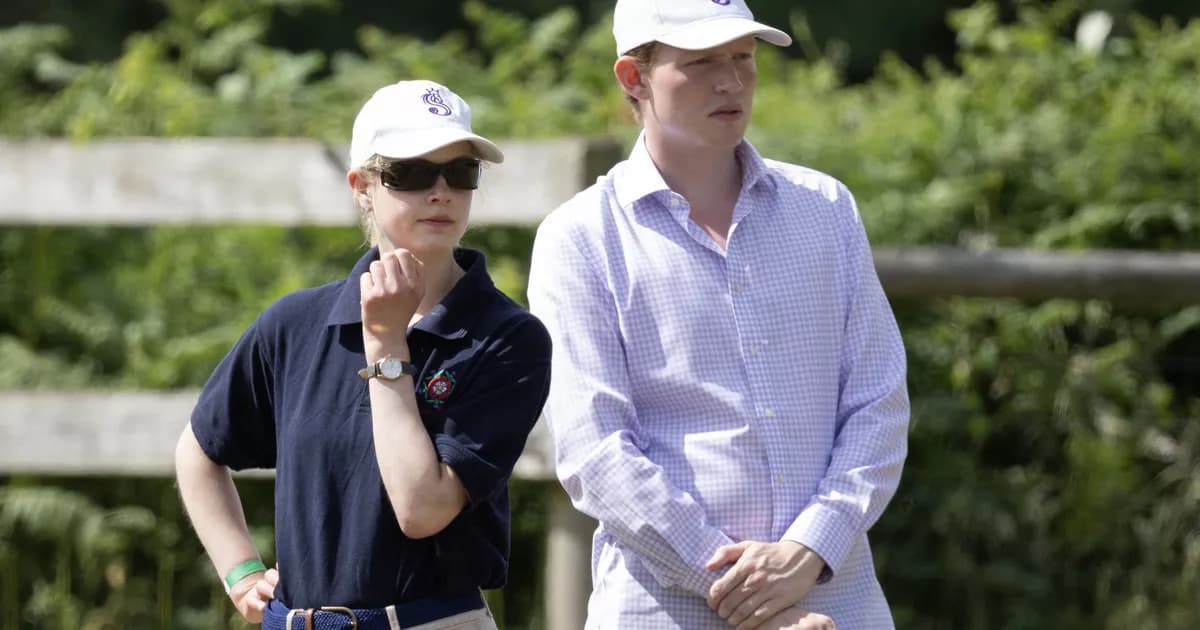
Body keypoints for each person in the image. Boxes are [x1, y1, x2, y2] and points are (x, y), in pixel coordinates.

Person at [526, 1, 910, 628]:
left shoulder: (826, 208)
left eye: (743, 59)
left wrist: (811, 547)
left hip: (838, 603)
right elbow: (595, 452)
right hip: (663, 610)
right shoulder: (580, 238)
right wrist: (747, 590)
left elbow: (878, 402)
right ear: (633, 78)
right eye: (701, 62)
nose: (731, 81)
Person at [175, 79, 552, 630]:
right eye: (412, 173)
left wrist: (385, 346)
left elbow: (421, 509)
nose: (441, 190)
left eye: (461, 172)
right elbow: (199, 450)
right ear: (361, 186)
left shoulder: (506, 338)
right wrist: (240, 573)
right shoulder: (294, 323)